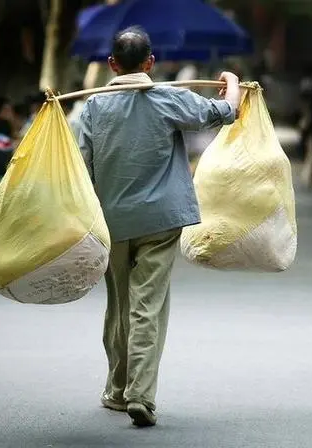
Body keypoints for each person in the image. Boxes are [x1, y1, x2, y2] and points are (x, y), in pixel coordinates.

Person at [77, 26, 241, 427]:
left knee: (119, 305)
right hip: (162, 220)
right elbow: (225, 112)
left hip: (112, 221)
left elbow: (80, 164)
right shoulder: (169, 98)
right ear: (150, 63)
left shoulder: (93, 109)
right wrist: (232, 83)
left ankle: (117, 390)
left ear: (112, 65)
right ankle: (141, 395)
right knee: (147, 304)